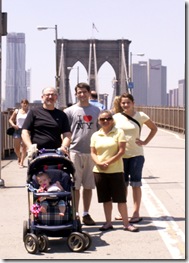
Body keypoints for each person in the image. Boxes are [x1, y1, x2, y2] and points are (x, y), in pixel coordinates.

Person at [90, 110, 138, 232]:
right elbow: (93, 152)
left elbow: (121, 151)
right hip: (99, 171)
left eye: (108, 119)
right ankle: (108, 222)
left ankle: (126, 224)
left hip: (116, 170)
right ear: (98, 121)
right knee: (105, 199)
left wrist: (108, 162)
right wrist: (99, 163)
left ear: (112, 120)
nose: (105, 121)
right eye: (102, 119)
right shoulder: (95, 135)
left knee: (121, 199)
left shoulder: (118, 132)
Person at [113, 93, 158, 222]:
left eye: (128, 102)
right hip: (121, 155)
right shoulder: (116, 117)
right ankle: (123, 212)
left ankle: (136, 212)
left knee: (136, 184)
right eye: (123, 103)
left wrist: (145, 142)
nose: (126, 105)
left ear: (133, 103)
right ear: (120, 104)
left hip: (136, 155)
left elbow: (154, 129)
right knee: (122, 185)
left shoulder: (141, 116)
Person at [64, 82, 100, 225]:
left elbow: (101, 130)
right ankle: (76, 214)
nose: (82, 94)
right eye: (79, 92)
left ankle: (86, 213)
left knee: (89, 185)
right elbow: (65, 132)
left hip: (91, 152)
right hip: (74, 151)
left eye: (85, 92)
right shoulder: (69, 111)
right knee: (76, 186)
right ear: (76, 94)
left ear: (89, 93)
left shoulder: (97, 111)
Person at [22, 87, 71, 161]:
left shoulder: (62, 115)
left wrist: (64, 147)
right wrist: (30, 147)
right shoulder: (34, 112)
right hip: (37, 153)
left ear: (56, 97)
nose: (50, 97)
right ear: (42, 97)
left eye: (53, 95)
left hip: (57, 153)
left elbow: (67, 134)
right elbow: (25, 132)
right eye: (48, 95)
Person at [9, 99, 30, 168]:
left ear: (28, 104)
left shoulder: (29, 112)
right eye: (23, 103)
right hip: (17, 130)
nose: (24, 104)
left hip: (25, 130)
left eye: (26, 103)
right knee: (16, 148)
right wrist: (13, 125)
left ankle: (21, 162)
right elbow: (10, 119)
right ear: (21, 104)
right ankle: (19, 157)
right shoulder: (17, 111)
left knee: (24, 147)